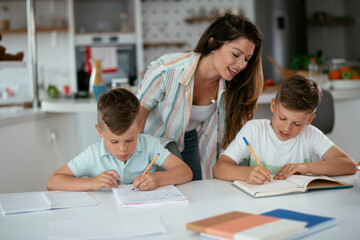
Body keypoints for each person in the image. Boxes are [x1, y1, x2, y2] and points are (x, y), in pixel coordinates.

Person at [137, 14, 264, 180]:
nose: (241, 65)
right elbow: (137, 116)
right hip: (157, 141)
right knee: (170, 194)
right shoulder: (167, 70)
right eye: (235, 54)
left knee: (195, 191)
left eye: (247, 59)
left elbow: (238, 137)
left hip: (190, 140)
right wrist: (134, 157)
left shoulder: (233, 86)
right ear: (213, 43)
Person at [213, 74, 357, 184]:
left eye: (297, 123)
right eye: (282, 118)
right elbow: (219, 168)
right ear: (273, 106)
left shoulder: (310, 134)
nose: (287, 128)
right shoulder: (253, 130)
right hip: (261, 205)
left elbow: (349, 165)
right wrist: (245, 174)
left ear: (309, 120)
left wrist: (305, 168)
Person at [46, 88, 192, 191]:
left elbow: (185, 172)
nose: (123, 149)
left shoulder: (149, 145)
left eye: (130, 140)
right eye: (114, 142)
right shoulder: (93, 155)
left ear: (139, 127)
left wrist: (157, 179)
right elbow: (53, 181)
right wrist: (92, 182)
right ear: (100, 131)